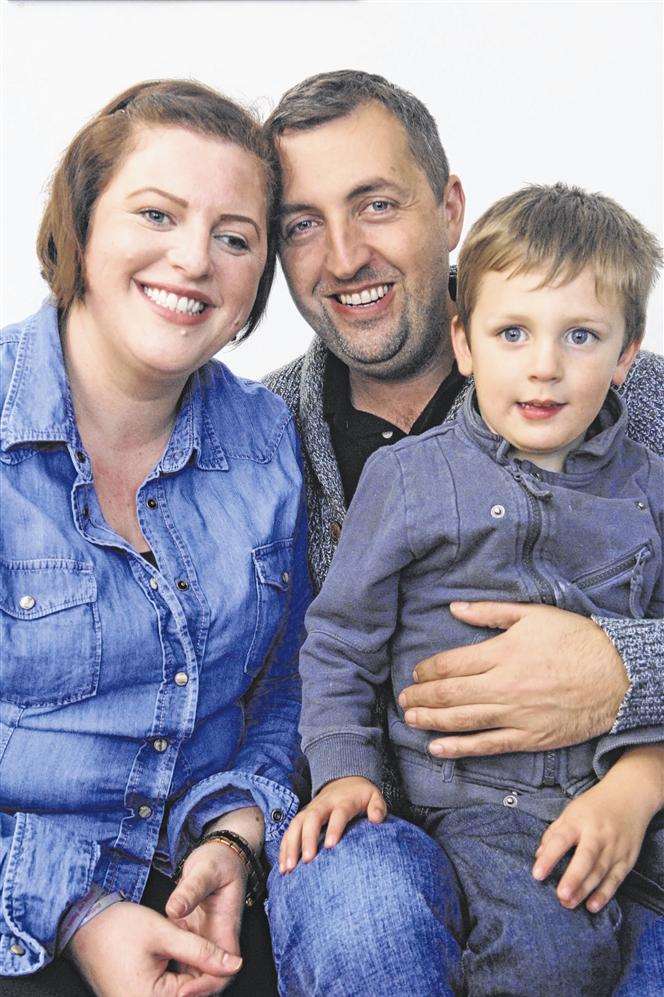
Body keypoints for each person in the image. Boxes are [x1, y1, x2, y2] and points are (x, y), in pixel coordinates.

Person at [262, 71, 664, 993]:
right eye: (302, 223)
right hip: (388, 838)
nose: (345, 254)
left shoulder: (639, 408)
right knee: (364, 911)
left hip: (608, 841)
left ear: (449, 208)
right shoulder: (262, 433)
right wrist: (337, 773)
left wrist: (625, 671)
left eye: (376, 204)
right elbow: (292, 667)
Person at [0, 80, 310, 997]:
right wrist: (79, 913)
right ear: (81, 223)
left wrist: (233, 835)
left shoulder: (264, 439)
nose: (193, 260)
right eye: (156, 213)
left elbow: (290, 683)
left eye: (234, 236)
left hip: (201, 897)